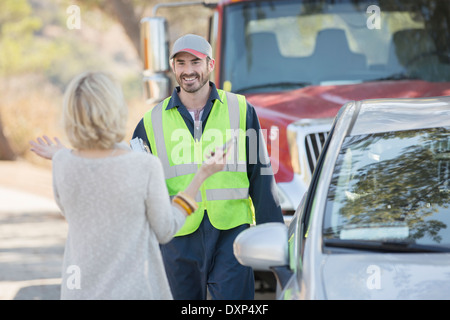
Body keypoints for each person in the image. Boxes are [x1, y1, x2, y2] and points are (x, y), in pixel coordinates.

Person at [29, 71, 231, 299]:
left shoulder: (62, 163)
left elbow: (88, 186)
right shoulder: (143, 166)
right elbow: (166, 229)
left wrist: (63, 153)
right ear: (115, 110)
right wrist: (201, 175)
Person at [132, 34, 283, 300]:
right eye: (180, 63)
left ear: (210, 64)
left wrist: (276, 243)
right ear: (173, 67)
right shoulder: (150, 122)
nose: (188, 70)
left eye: (195, 62)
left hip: (231, 234)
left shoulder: (240, 109)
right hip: (177, 236)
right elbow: (136, 187)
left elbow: (260, 176)